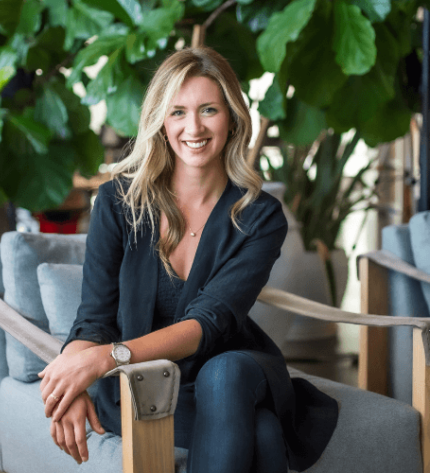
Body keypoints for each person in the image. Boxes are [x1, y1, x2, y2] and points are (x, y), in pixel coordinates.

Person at [37, 46, 338, 473]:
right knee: (266, 434)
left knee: (226, 372)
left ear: (232, 116)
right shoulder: (118, 203)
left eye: (209, 110)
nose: (193, 127)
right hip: (143, 385)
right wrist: (72, 377)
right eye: (177, 112)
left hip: (228, 373)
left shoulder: (260, 217)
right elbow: (95, 317)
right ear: (160, 120)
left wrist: (106, 358)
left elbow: (210, 322)